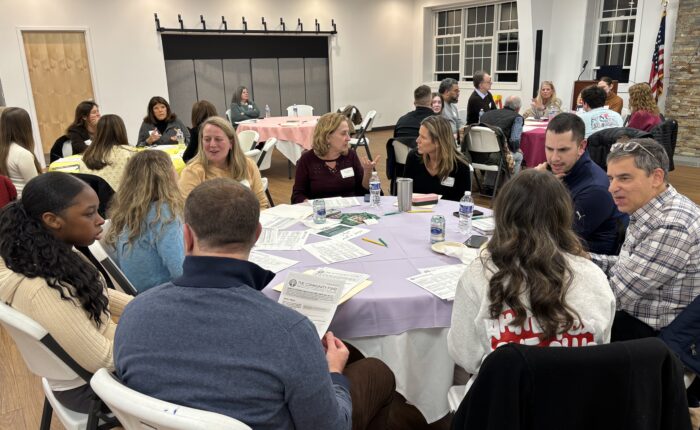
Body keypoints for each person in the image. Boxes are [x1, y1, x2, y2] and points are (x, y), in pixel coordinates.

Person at [114, 178, 396, 430]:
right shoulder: (289, 330)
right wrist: (334, 375)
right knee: (377, 372)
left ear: (186, 236)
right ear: (258, 234)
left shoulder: (135, 313)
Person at [448, 169, 615, 401]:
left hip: (502, 406)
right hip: (577, 405)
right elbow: (600, 347)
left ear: (503, 216)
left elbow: (465, 355)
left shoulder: (479, 273)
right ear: (563, 216)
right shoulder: (594, 276)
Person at [0, 172, 132, 413]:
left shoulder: (53, 254)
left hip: (96, 371)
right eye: (89, 213)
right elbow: (101, 359)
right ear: (52, 220)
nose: (101, 220)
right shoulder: (41, 289)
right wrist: (153, 340)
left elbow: (97, 291)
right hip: (92, 389)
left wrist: (142, 308)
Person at [591, 138, 700, 341]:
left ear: (656, 177)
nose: (612, 188)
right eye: (611, 178)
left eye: (624, 178)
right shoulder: (650, 207)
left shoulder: (672, 225)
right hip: (636, 316)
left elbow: (613, 296)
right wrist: (581, 259)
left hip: (657, 339)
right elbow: (629, 266)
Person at [534, 113, 627, 255]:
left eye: (563, 150)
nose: (554, 158)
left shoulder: (594, 190)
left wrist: (534, 188)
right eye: (549, 149)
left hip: (587, 261)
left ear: (581, 146)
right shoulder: (560, 171)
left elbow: (553, 238)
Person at [104, 151, 184, 293]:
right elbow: (180, 270)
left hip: (140, 295)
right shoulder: (163, 213)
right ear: (168, 177)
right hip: (163, 296)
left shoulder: (126, 213)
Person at [179, 116, 269, 208]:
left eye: (218, 139)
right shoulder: (192, 172)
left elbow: (261, 204)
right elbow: (187, 213)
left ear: (231, 143)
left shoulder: (248, 165)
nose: (212, 145)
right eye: (207, 139)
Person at [292, 112, 378, 203]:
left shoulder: (350, 156)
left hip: (350, 212)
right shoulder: (307, 160)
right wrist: (310, 205)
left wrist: (367, 172)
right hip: (320, 213)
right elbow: (297, 195)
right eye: (343, 133)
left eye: (348, 133)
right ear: (327, 137)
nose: (348, 138)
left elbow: (363, 191)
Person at [403, 115, 471, 201]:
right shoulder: (414, 157)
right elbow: (405, 193)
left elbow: (462, 203)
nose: (417, 140)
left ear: (438, 141)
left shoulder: (460, 166)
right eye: (419, 135)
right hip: (416, 212)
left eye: (423, 137)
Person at [78, 114, 138, 191]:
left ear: (98, 132)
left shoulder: (86, 155)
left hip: (96, 201)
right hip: (124, 200)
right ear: (121, 131)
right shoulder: (129, 153)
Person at [0, 107, 41, 197]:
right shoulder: (23, 154)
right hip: (25, 202)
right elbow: (35, 187)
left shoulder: (4, 150)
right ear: (26, 127)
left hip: (11, 203)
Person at [480, 95, 524, 174]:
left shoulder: (485, 114)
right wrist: (517, 149)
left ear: (505, 104)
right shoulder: (517, 118)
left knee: (495, 152)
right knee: (519, 156)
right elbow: (514, 141)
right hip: (497, 157)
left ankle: (490, 183)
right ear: (518, 109)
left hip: (479, 155)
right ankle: (512, 184)